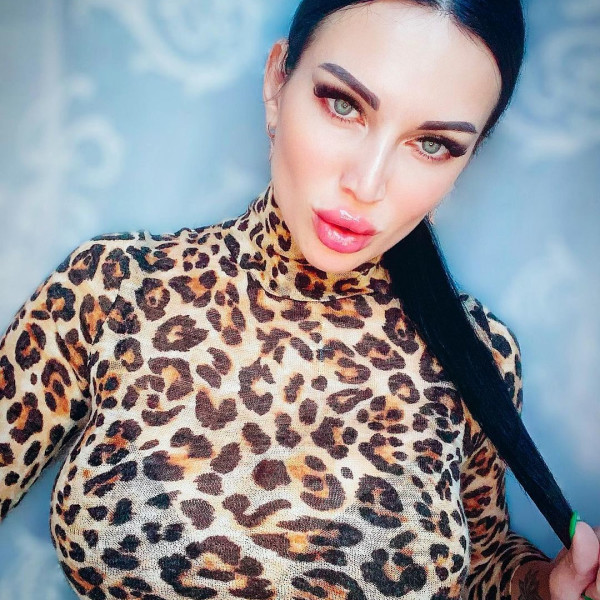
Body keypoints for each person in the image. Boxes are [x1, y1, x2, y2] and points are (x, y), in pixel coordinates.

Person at [0, 0, 598, 598]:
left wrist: (548, 587)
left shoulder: (477, 354)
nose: (367, 183)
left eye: (433, 144)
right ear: (276, 83)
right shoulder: (114, 290)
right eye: (344, 105)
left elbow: (480, 559)